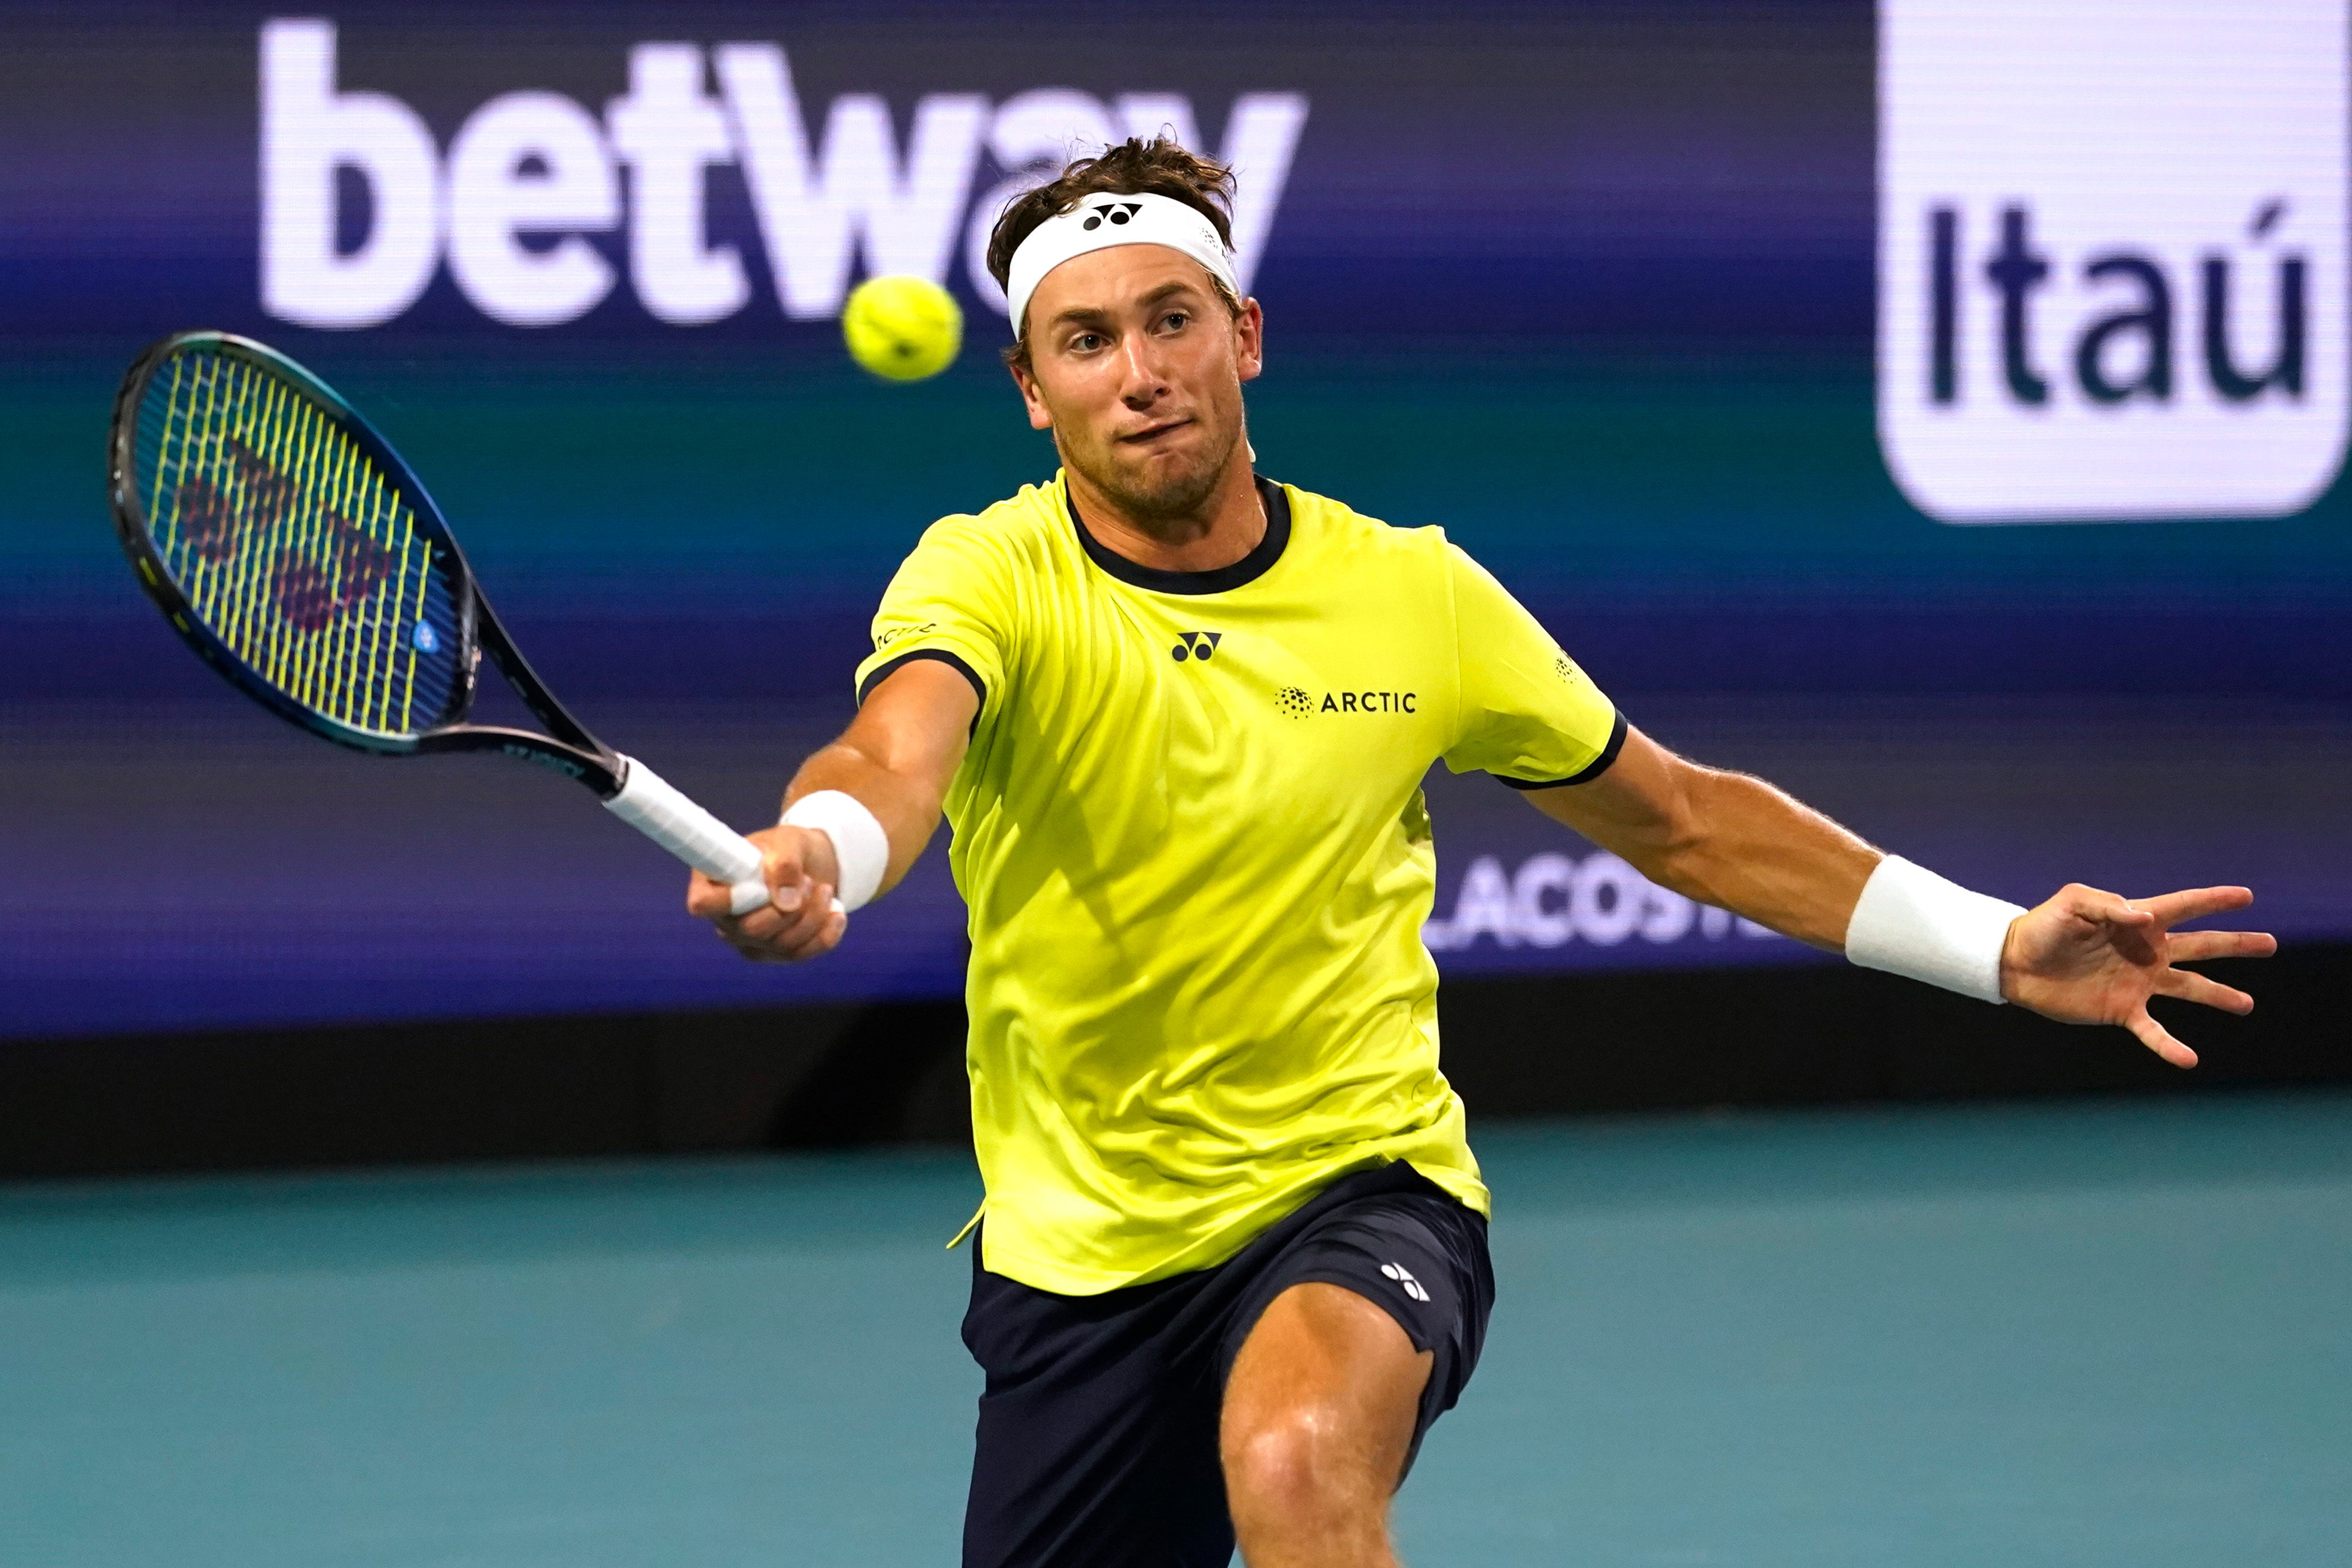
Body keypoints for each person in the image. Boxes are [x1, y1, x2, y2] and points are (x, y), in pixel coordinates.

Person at [686, 138, 2275, 1568]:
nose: (1140, 371)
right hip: (1079, 1252)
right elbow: (895, 753)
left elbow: (1685, 817)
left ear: (1244, 335)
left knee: (1299, 1460)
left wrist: (1997, 945)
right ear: (1035, 393)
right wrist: (823, 841)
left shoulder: (1416, 596)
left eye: (1173, 319)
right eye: (1085, 342)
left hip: (1358, 1188)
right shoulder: (989, 574)